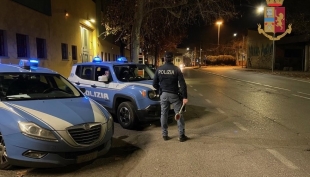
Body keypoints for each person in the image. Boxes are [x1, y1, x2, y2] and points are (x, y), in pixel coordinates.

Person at [153, 51, 188, 142]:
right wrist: (184, 97)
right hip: (174, 95)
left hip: (163, 94)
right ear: (172, 59)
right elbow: (183, 84)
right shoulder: (176, 69)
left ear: (164, 59)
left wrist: (160, 90)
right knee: (179, 114)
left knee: (164, 114)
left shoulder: (159, 69)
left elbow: (154, 84)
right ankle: (181, 136)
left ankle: (165, 135)